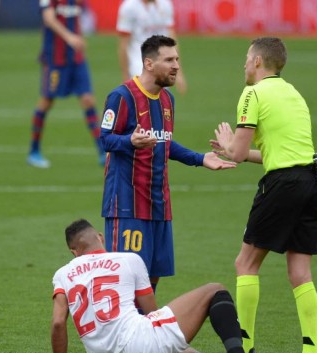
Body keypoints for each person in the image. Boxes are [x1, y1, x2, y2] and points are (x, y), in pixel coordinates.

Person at [30, 219, 286, 353]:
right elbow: (152, 312)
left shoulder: (63, 274)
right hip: (139, 343)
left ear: (73, 252)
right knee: (215, 290)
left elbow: (56, 324)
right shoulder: (128, 259)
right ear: (100, 237)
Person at [211, 37, 317, 353]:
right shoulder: (293, 93)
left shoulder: (253, 94)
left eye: (247, 59)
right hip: (312, 179)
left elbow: (236, 152)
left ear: (259, 61)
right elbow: (280, 152)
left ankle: (242, 352)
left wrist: (227, 143)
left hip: (284, 184)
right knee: (299, 271)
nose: (244, 65)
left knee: (245, 263)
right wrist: (236, 149)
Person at [100, 35, 235, 293]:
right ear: (149, 64)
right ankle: (124, 330)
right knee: (129, 278)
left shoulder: (167, 100)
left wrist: (200, 158)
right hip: (127, 205)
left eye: (177, 59)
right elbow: (105, 140)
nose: (176, 66)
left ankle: (143, 329)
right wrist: (130, 141)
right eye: (169, 60)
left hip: (159, 205)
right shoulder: (122, 96)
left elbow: (163, 142)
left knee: (153, 276)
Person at [27, 0, 106, 168]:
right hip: (55, 60)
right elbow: (48, 18)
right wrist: (69, 36)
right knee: (47, 101)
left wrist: (80, 38)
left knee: (88, 100)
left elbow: (80, 18)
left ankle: (102, 152)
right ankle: (34, 151)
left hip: (76, 58)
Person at [116, 0, 187, 94]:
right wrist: (125, 77)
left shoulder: (165, 4)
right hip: (139, 63)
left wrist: (179, 73)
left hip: (162, 62)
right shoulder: (129, 7)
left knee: (161, 102)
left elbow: (171, 38)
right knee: (142, 101)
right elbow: (123, 45)